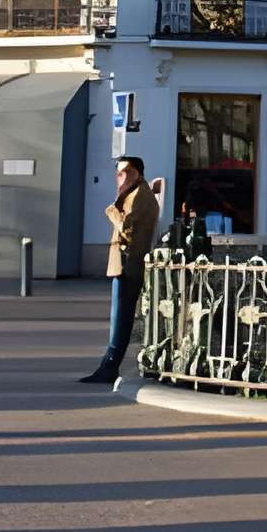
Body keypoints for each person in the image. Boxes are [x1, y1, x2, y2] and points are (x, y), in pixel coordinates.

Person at [80, 155, 162, 385]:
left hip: (129, 264)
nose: (120, 177)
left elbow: (126, 228)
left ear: (137, 172)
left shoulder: (139, 195)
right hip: (123, 264)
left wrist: (111, 211)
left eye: (125, 171)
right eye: (118, 172)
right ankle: (108, 364)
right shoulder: (134, 193)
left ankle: (110, 366)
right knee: (120, 317)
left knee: (121, 318)